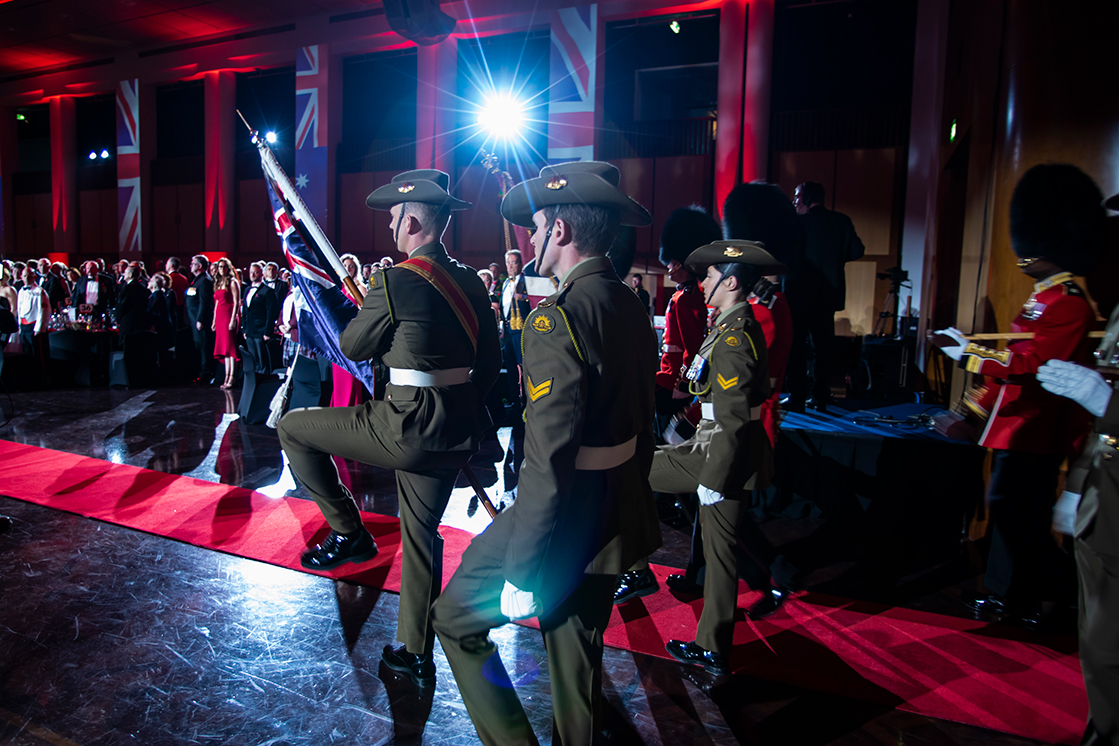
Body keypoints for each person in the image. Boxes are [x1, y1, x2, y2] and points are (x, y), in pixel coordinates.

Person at [432, 160, 660, 745]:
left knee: (455, 619)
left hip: (561, 517)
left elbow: (550, 456)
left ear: (559, 232)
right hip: (616, 508)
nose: (531, 238)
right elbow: (643, 420)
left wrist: (524, 563)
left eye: (536, 226)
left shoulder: (556, 319)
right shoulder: (631, 304)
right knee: (574, 652)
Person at [278, 169, 499, 688]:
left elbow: (353, 347)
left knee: (293, 428)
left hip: (400, 425)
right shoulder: (470, 280)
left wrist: (368, 306)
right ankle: (412, 651)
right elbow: (489, 365)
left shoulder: (394, 281)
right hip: (453, 430)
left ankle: (348, 531)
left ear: (415, 220)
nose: (392, 227)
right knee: (421, 538)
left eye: (396, 218)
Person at [933, 163, 1103, 628]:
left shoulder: (1068, 302)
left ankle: (1065, 592)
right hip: (1016, 426)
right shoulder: (1044, 297)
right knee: (1013, 517)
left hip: (1040, 427)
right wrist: (973, 407)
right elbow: (1014, 361)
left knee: (1020, 517)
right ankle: (1018, 599)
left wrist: (969, 355)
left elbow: (1032, 365)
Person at [655, 239, 794, 676]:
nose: (704, 283)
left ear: (731, 282)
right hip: (717, 445)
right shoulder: (731, 325)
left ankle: (635, 569)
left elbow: (732, 420)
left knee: (630, 468)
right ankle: (712, 644)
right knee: (720, 553)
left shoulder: (734, 334)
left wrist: (713, 480)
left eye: (711, 277)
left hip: (722, 452)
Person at [663, 183, 803, 603]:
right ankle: (699, 573)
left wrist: (687, 419)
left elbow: (733, 384)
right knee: (709, 508)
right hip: (721, 418)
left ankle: (775, 574)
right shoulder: (758, 301)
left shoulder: (760, 308)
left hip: (740, 423)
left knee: (724, 512)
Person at [614, 205, 721, 606]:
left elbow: (685, 360)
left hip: (687, 407)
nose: (671, 266)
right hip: (689, 403)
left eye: (676, 260)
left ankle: (642, 569)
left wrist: (671, 394)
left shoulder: (690, 301)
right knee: (697, 500)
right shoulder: (697, 299)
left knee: (651, 480)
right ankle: (699, 568)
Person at [785, 181, 865, 412]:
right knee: (823, 347)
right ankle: (821, 396)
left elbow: (784, 255)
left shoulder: (797, 224)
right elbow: (857, 250)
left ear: (806, 199)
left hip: (798, 294)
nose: (794, 201)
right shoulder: (841, 221)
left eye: (797, 197)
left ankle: (797, 397)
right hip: (827, 294)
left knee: (797, 347)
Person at [500, 249, 531, 410]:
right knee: (511, 368)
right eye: (508, 263)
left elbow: (533, 300)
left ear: (520, 263)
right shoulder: (505, 283)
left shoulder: (526, 281)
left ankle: (525, 400)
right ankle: (514, 401)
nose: (511, 266)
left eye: (514, 262)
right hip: (507, 333)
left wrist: (522, 298)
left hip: (521, 330)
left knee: (522, 366)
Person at [242, 261, 280, 373]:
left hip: (261, 330)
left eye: (256, 272)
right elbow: (245, 311)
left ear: (261, 274)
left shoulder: (268, 291)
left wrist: (267, 332)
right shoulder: (247, 290)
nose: (252, 274)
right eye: (251, 272)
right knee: (253, 359)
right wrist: (244, 329)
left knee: (262, 360)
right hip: (249, 330)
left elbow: (271, 313)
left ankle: (264, 383)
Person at [185, 255, 215, 384]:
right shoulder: (196, 280)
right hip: (192, 320)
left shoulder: (205, 281)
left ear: (200, 266)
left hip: (199, 321)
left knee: (204, 347)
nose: (190, 266)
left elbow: (204, 302)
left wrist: (200, 319)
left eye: (193, 263)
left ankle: (205, 373)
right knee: (198, 346)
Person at [212, 257, 241, 390]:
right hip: (219, 317)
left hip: (228, 316)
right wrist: (213, 321)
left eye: (224, 267)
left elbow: (236, 302)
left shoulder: (232, 282)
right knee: (224, 349)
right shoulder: (218, 282)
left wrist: (233, 319)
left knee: (230, 348)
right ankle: (226, 376)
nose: (222, 269)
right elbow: (217, 303)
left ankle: (232, 377)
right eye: (220, 267)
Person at [16, 267, 51, 374]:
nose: (27, 278)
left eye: (29, 276)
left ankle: (40, 376)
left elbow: (43, 310)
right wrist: (19, 326)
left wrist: (39, 328)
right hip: (24, 325)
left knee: (37, 353)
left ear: (34, 277)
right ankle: (29, 376)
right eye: (25, 276)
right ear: (21, 277)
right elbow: (19, 308)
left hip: (34, 326)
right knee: (27, 353)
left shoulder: (39, 291)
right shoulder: (21, 291)